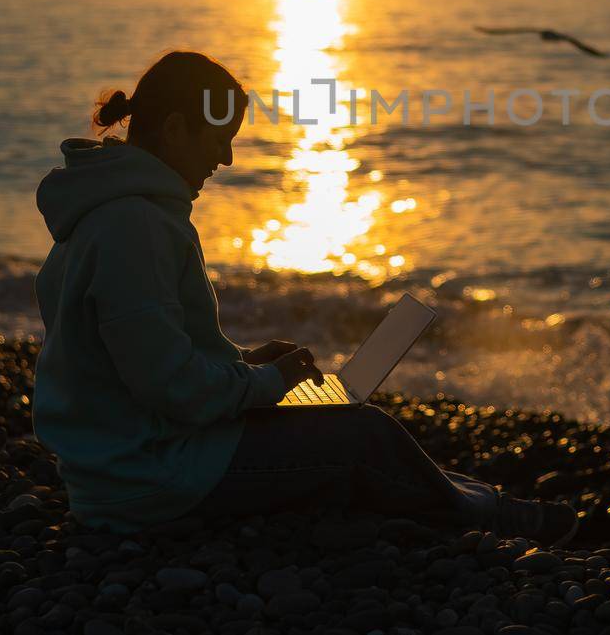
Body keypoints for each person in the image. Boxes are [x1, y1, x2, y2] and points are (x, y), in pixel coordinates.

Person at [31, 49, 578, 545]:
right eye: (218, 139)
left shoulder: (118, 212)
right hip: (150, 478)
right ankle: (505, 521)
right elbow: (170, 386)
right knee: (362, 437)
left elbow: (141, 358)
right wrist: (264, 386)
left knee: (350, 432)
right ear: (175, 130)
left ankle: (490, 503)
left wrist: (244, 365)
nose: (225, 160)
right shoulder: (135, 225)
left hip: (141, 457)